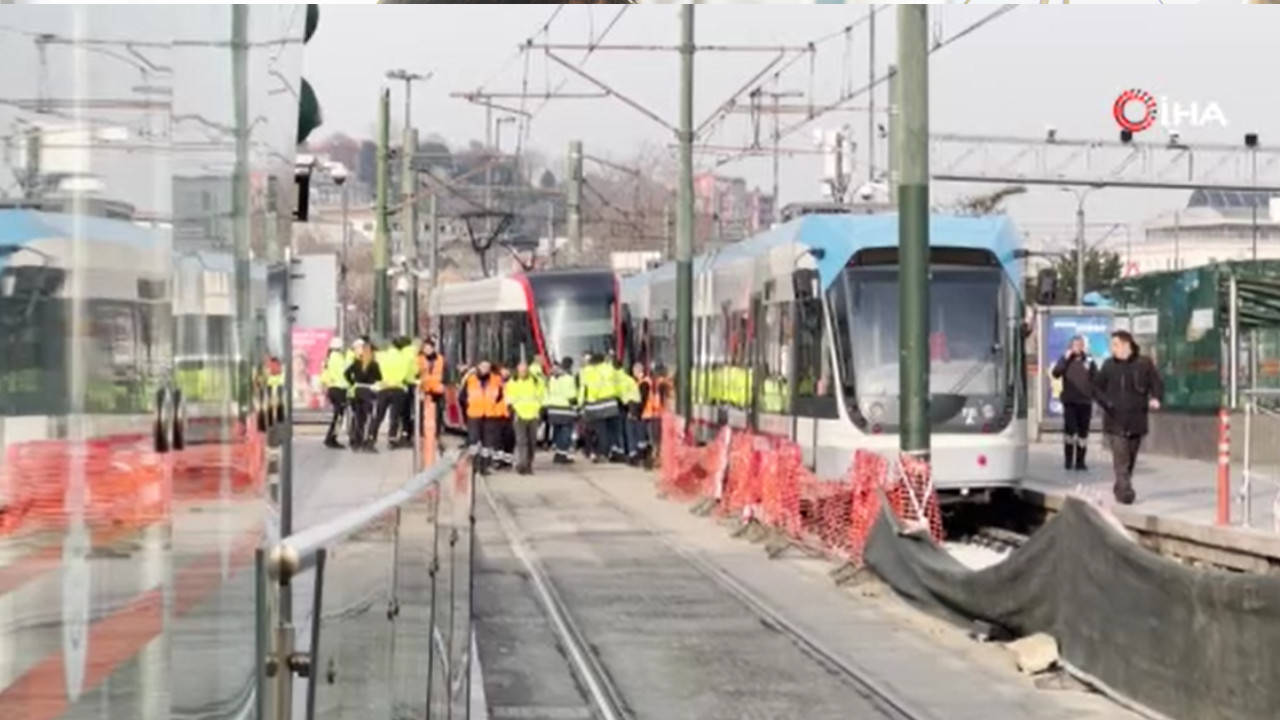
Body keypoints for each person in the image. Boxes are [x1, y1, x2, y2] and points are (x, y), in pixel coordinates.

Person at [1093, 330, 1164, 505]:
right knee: (1121, 457)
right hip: (1115, 420)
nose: (1113, 349)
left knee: (1130, 457)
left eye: (1115, 345)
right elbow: (1096, 388)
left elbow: (1156, 383)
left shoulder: (1144, 364)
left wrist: (1156, 397)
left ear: (1126, 345)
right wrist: (1107, 403)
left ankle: (1120, 486)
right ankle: (1125, 492)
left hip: (1136, 419)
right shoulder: (1109, 365)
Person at [1051, 335, 1098, 471]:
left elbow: (1096, 378)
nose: (1078, 348)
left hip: (1085, 402)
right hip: (1070, 402)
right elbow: (1056, 373)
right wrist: (1065, 359)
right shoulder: (1065, 359)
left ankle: (1080, 462)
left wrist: (1094, 394)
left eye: (1080, 345)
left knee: (1083, 433)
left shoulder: (1088, 360)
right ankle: (1068, 460)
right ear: (1070, 347)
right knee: (1070, 432)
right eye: (1076, 345)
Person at [460, 359, 503, 475]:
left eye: (487, 367)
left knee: (487, 443)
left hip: (490, 415)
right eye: (483, 367)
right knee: (474, 441)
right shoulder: (470, 380)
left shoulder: (496, 380)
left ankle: (485, 466)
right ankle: (474, 465)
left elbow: (501, 396)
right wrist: (468, 409)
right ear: (478, 367)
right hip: (474, 414)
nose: (485, 369)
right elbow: (462, 397)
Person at [579, 352, 621, 463]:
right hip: (611, 403)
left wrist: (581, 404)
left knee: (599, 431)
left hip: (595, 405)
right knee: (611, 431)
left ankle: (600, 453)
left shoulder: (587, 371)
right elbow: (617, 384)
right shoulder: (610, 368)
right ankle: (610, 451)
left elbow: (584, 389)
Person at [505, 361, 545, 475]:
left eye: (524, 370)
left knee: (532, 442)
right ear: (517, 371)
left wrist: (540, 411)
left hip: (533, 415)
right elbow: (508, 399)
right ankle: (522, 465)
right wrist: (513, 411)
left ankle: (528, 464)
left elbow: (542, 396)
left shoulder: (537, 382)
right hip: (519, 415)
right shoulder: (512, 382)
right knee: (521, 441)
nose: (523, 373)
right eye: (521, 371)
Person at [344, 338, 383, 452]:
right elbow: (379, 377)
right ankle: (367, 441)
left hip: (357, 390)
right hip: (368, 391)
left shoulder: (356, 362)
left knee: (358, 417)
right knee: (369, 417)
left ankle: (356, 441)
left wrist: (353, 382)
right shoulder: (373, 364)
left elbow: (346, 373)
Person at [545, 357, 579, 464]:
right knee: (565, 433)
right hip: (565, 410)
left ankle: (558, 453)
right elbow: (571, 395)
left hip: (553, 409)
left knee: (557, 431)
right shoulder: (569, 378)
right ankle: (562, 455)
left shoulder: (552, 379)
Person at [320, 337, 349, 449]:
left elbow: (324, 376)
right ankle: (332, 438)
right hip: (339, 389)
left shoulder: (327, 359)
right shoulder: (338, 358)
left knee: (337, 415)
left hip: (332, 389)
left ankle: (330, 437)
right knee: (339, 416)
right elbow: (345, 374)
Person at [418, 338, 446, 443]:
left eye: (429, 348)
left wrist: (444, 384)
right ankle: (422, 433)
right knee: (422, 413)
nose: (427, 350)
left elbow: (445, 372)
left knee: (437, 413)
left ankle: (436, 434)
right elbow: (416, 373)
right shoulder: (419, 359)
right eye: (425, 348)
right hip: (424, 389)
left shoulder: (440, 359)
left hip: (437, 390)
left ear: (433, 348)